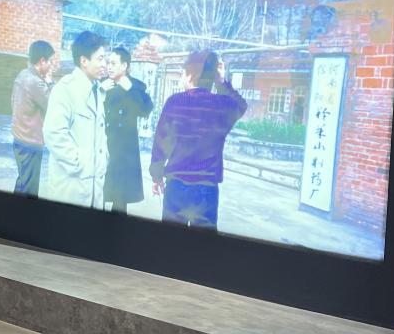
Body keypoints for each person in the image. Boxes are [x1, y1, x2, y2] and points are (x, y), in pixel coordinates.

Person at [149, 50, 248, 228]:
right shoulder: (222, 105)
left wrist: (157, 176)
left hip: (177, 186)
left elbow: (161, 143)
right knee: (203, 243)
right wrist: (221, 81)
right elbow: (241, 105)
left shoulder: (175, 102)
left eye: (182, 73)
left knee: (170, 241)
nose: (181, 78)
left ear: (190, 75)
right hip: (207, 190)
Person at [40, 30, 109, 209]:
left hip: (94, 188)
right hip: (71, 187)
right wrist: (81, 164)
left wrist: (103, 161)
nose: (105, 64)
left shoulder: (98, 90)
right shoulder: (65, 90)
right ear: (84, 61)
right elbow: (54, 134)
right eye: (100, 58)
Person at [102, 47, 154, 214]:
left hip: (123, 150)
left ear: (124, 65)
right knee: (98, 193)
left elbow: (145, 110)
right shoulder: (103, 84)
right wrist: (100, 91)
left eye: (113, 63)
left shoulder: (136, 87)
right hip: (103, 145)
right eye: (108, 63)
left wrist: (130, 89)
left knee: (119, 200)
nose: (109, 67)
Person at [10, 40, 55, 197]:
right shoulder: (35, 82)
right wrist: (50, 82)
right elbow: (52, 105)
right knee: (29, 189)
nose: (51, 66)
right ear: (42, 61)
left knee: (23, 182)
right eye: (50, 61)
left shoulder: (23, 75)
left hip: (19, 138)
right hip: (30, 141)